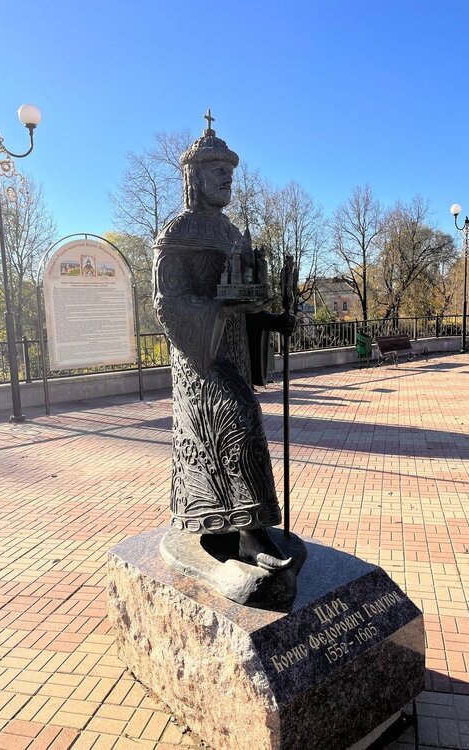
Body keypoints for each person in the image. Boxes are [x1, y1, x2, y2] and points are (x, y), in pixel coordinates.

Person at [152, 119, 295, 571]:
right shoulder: (176, 233)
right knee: (239, 418)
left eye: (231, 171)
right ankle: (252, 536)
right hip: (200, 360)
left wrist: (271, 319)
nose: (228, 178)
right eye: (218, 170)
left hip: (231, 351)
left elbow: (245, 302)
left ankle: (238, 526)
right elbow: (168, 303)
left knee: (238, 427)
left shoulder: (233, 234)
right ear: (194, 176)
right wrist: (218, 308)